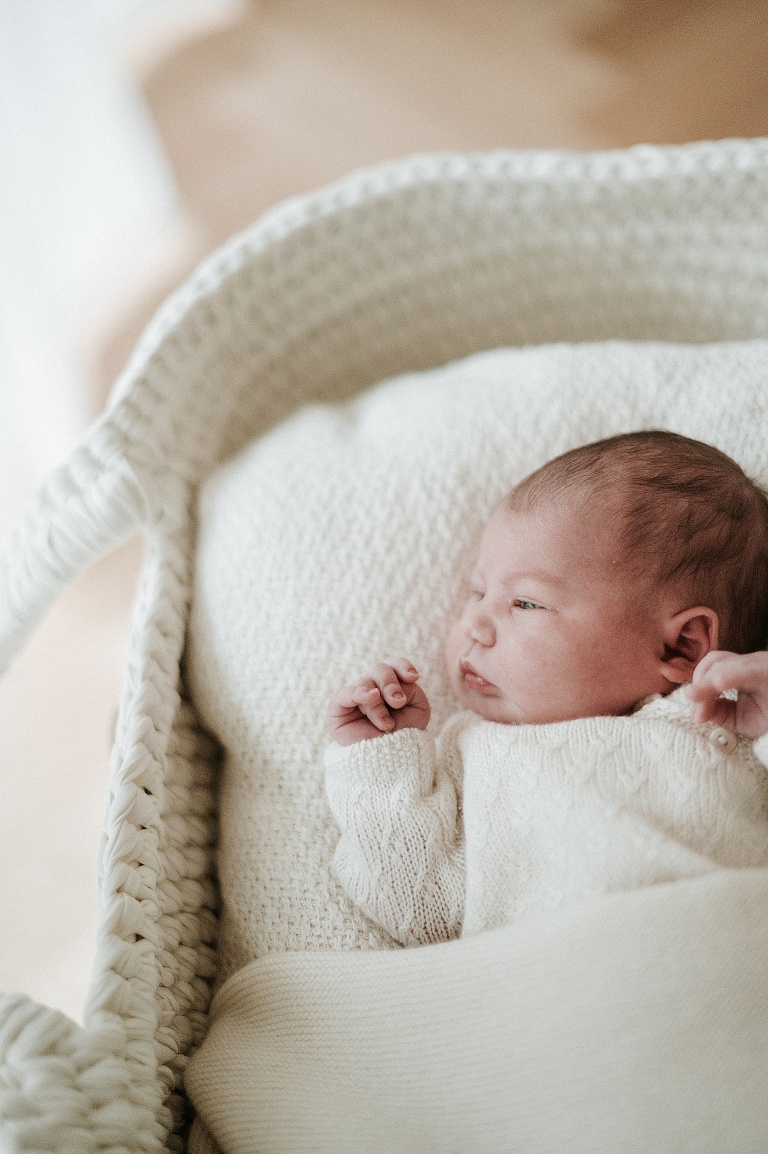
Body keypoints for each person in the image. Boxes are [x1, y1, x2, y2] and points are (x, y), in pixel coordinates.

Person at [325, 431, 768, 946]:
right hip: (546, 988)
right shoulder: (471, 756)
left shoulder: (728, 725)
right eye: (479, 592)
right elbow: (419, 911)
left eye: (526, 604)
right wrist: (381, 757)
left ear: (682, 648)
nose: (475, 626)